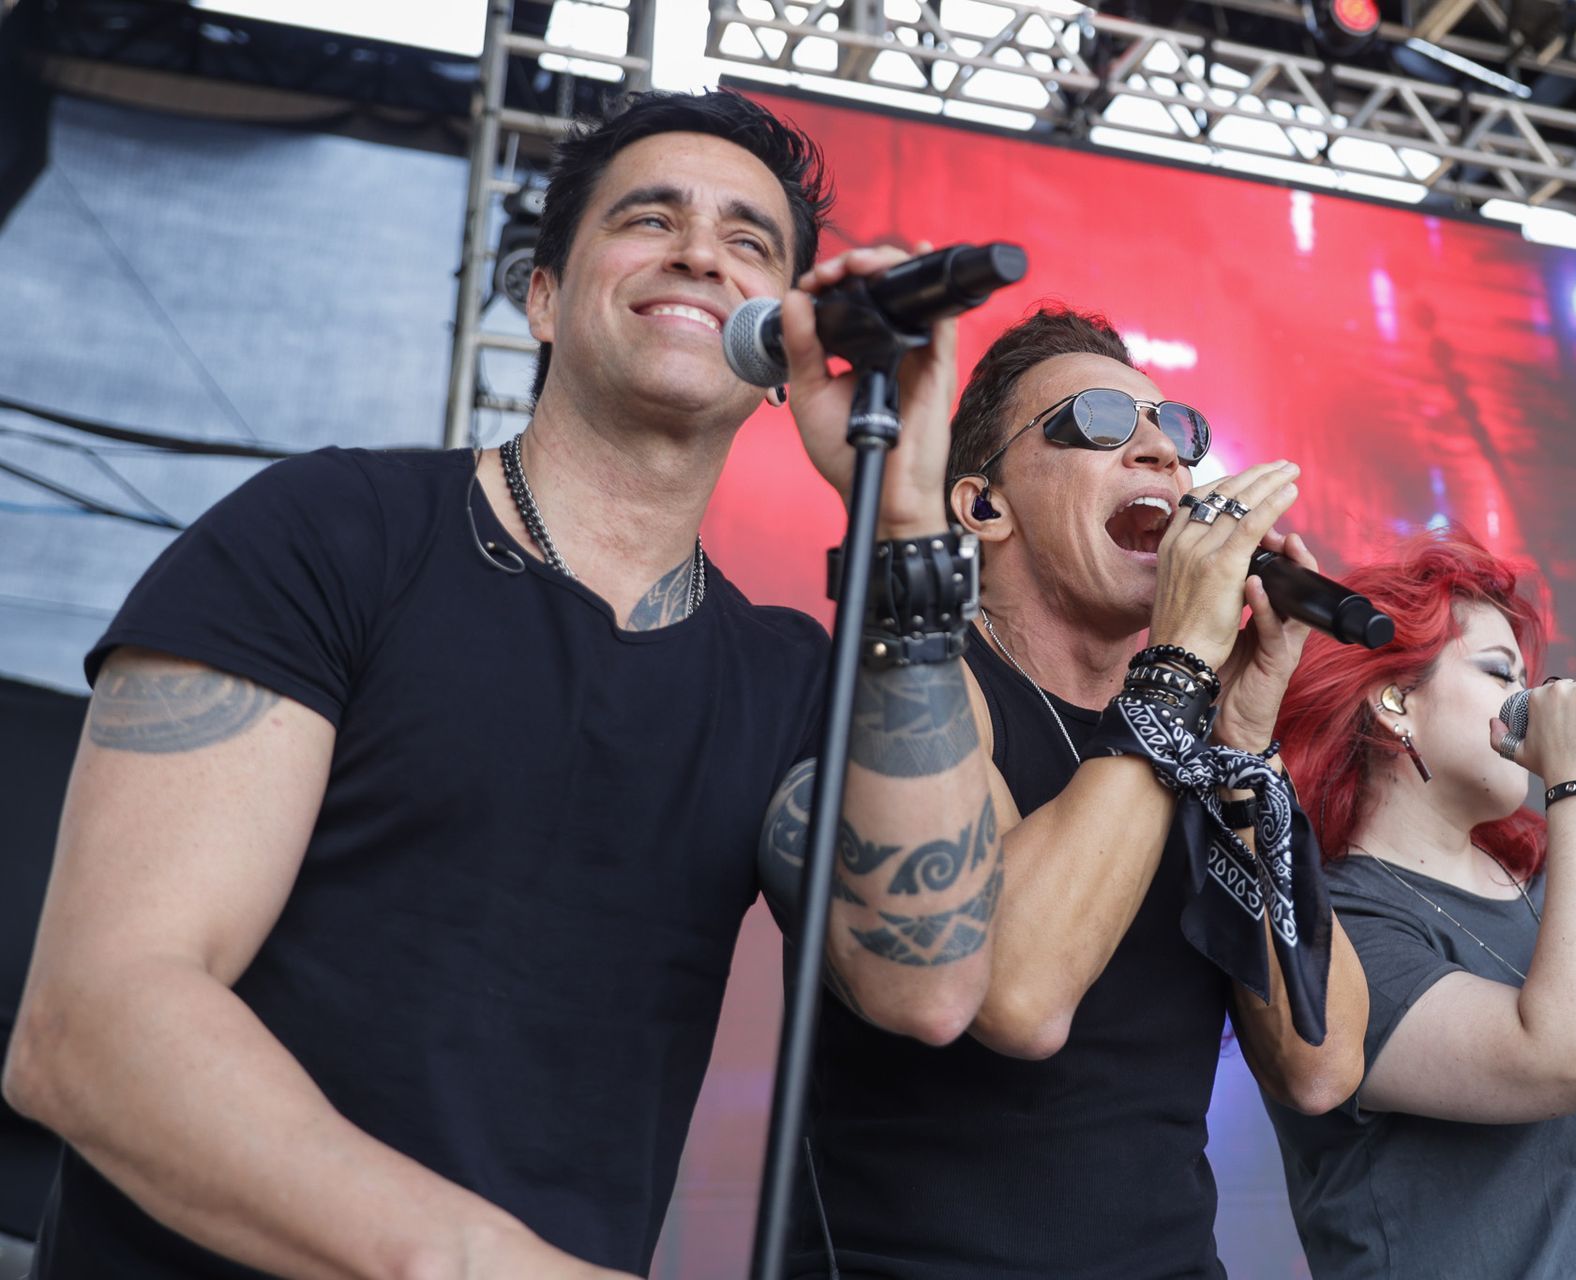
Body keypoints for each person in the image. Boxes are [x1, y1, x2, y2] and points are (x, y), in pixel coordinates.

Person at [1, 89, 1001, 1279]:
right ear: (540, 296)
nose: (697, 250)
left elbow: (929, 982)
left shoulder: (787, 680)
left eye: (750, 243)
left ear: (783, 353)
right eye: (649, 217)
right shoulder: (331, 533)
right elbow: (93, 1023)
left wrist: (901, 533)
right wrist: (472, 1261)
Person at [766, 307, 1368, 1279]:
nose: (1159, 454)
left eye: (1176, 433)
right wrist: (1175, 670)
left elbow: (1321, 1062)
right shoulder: (916, 688)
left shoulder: (1195, 736)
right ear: (982, 505)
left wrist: (1245, 734)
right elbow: (1018, 991)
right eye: (1094, 421)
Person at [1263, 530, 1576, 1279]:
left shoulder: (1542, 897)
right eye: (1498, 671)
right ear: (1394, 701)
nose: (1534, 701)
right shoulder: (1339, 929)